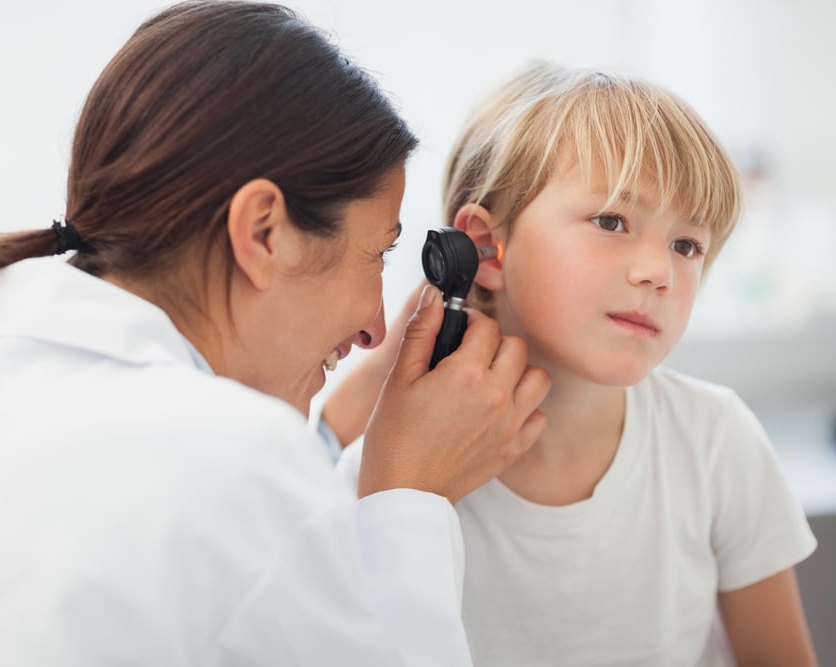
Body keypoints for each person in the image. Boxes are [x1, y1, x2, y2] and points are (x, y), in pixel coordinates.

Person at [0, 4, 552, 665]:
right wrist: (408, 497)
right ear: (263, 230)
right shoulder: (236, 468)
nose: (374, 328)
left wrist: (328, 438)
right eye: (380, 251)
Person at [333, 61, 818, 666]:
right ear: (484, 248)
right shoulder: (389, 485)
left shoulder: (715, 439)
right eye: (611, 221)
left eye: (686, 245)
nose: (658, 272)